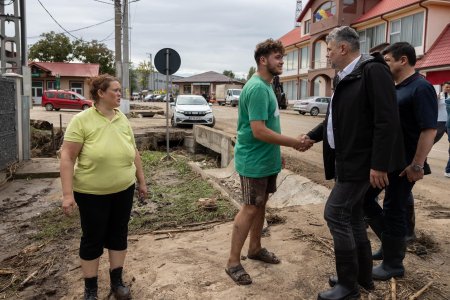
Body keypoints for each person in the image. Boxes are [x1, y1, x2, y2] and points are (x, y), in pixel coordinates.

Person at [302, 27, 405, 300]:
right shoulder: (344, 77)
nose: (327, 56)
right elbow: (335, 119)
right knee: (353, 216)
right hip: (346, 159)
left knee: (335, 214)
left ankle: (348, 287)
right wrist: (312, 137)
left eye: (329, 51)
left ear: (343, 49)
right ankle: (362, 277)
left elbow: (387, 120)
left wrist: (380, 164)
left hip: (362, 162)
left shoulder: (373, 71)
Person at [225, 38, 305, 285]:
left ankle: (255, 249)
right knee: (250, 207)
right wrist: (292, 142)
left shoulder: (267, 85)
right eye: (277, 57)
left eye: (282, 57)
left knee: (260, 205)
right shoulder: (258, 87)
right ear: (263, 60)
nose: (282, 61)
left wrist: (276, 153)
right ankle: (232, 263)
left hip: (266, 159)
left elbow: (269, 125)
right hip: (253, 162)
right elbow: (258, 130)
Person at [60, 74, 147, 300]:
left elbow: (134, 152)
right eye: (115, 90)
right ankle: (91, 289)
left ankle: (116, 282)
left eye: (120, 90)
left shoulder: (122, 119)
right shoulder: (82, 120)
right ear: (101, 93)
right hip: (92, 193)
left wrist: (142, 181)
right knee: (93, 238)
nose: (120, 94)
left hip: (124, 189)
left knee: (119, 234)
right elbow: (67, 157)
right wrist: (68, 194)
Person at [363, 42, 438, 281]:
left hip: (406, 164)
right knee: (366, 200)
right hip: (390, 161)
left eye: (387, 61)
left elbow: (429, 130)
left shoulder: (421, 87)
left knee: (394, 208)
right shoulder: (396, 87)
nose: (385, 65)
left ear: (402, 60)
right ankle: (390, 246)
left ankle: (393, 264)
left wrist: (417, 164)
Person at [440, 81, 450, 177]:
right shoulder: (439, 96)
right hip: (439, 122)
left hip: (447, 123)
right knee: (432, 141)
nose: (448, 88)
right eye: (447, 87)